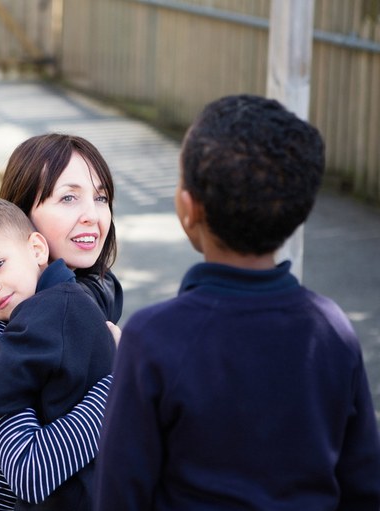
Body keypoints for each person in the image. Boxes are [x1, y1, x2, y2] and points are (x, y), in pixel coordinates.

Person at [94, 94, 380, 510]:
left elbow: (120, 495)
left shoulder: (153, 338)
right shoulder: (332, 329)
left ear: (189, 209)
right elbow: (364, 487)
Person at [0, 133, 123, 510]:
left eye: (99, 197)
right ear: (22, 213)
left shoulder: (86, 291)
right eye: (68, 197)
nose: (92, 214)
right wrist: (125, 381)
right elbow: (31, 473)